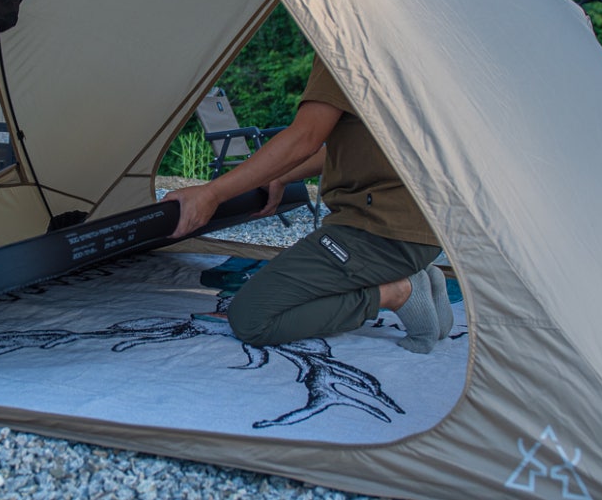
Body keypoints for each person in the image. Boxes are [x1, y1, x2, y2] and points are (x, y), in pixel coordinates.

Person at [166, 54, 453, 353]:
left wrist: (212, 193)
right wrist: (283, 176)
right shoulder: (409, 50)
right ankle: (415, 274)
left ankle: (397, 291)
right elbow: (348, 147)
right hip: (421, 231)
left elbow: (306, 136)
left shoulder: (347, 47)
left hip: (377, 231)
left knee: (251, 317)